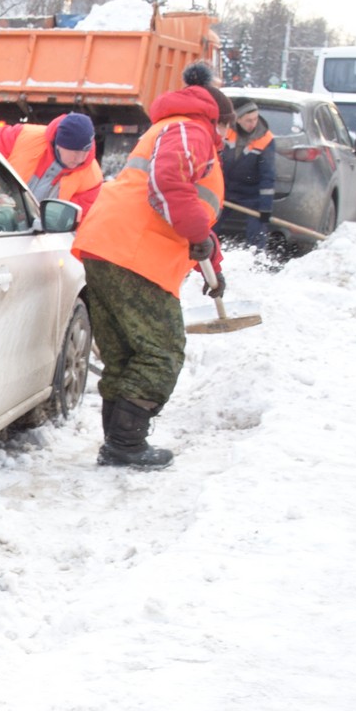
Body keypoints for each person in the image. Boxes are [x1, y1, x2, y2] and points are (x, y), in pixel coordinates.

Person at [71, 62, 232, 470]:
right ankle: (126, 444)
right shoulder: (192, 129)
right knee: (162, 353)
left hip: (108, 245)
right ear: (221, 121)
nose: (229, 141)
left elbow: (190, 209)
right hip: (134, 254)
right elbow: (169, 185)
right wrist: (196, 237)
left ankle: (118, 444)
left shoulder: (173, 126)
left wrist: (210, 259)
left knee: (126, 353)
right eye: (229, 132)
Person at [0, 112, 104, 213]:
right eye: (74, 152)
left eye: (85, 152)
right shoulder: (23, 138)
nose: (80, 158)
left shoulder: (92, 177)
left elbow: (80, 222)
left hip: (42, 238)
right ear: (59, 145)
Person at [220, 99, 276, 249]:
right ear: (237, 119)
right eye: (248, 120)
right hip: (224, 190)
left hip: (251, 194)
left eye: (255, 119)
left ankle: (256, 260)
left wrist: (265, 209)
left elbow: (267, 176)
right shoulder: (225, 131)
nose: (253, 124)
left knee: (257, 233)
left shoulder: (265, 139)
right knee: (208, 225)